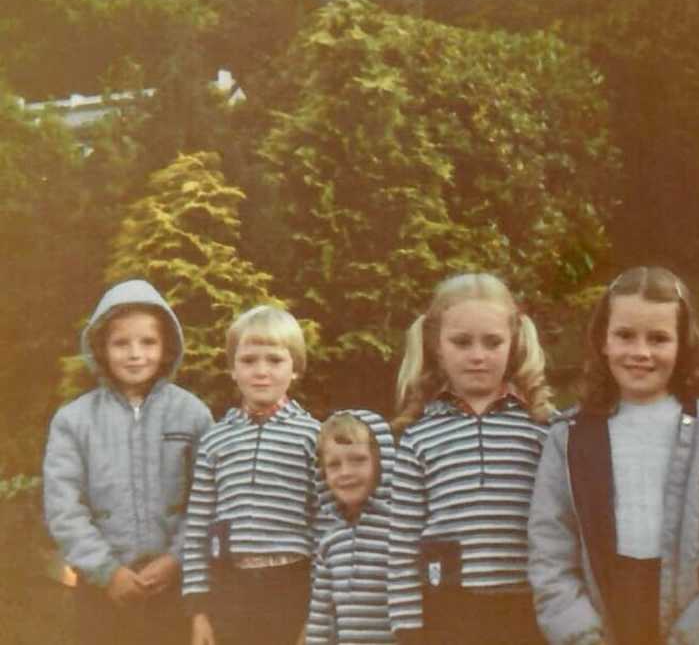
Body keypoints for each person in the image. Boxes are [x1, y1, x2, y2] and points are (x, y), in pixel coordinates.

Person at [528, 266, 699, 645]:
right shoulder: (568, 438)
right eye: (624, 335)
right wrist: (581, 636)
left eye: (658, 338)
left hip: (689, 617)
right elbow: (550, 553)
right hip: (603, 614)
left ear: (683, 345)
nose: (640, 352)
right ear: (603, 340)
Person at [388, 273, 557, 645]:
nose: (477, 355)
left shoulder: (544, 429)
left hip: (525, 606)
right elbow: (402, 541)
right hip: (448, 610)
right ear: (436, 346)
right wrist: (407, 625)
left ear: (513, 343)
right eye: (462, 342)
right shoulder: (418, 436)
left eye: (492, 342)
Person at [43, 279, 213, 645]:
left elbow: (208, 499)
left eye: (148, 342)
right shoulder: (74, 420)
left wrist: (176, 560)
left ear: (167, 346)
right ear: (101, 348)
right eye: (122, 343)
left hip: (175, 590)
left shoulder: (193, 414)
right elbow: (63, 507)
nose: (135, 354)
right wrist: (108, 572)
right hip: (102, 593)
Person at [181, 306, 320, 645]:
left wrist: (316, 616)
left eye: (274, 360)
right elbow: (198, 525)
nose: (261, 372)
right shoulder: (216, 439)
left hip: (292, 587)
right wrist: (199, 612)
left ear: (295, 369)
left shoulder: (314, 436)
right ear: (231, 369)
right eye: (248, 360)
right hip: (231, 589)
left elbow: (325, 527)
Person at [306, 409, 397, 645]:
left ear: (381, 463)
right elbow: (319, 620)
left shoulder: (402, 532)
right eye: (334, 465)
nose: (345, 472)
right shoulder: (330, 541)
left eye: (358, 460)